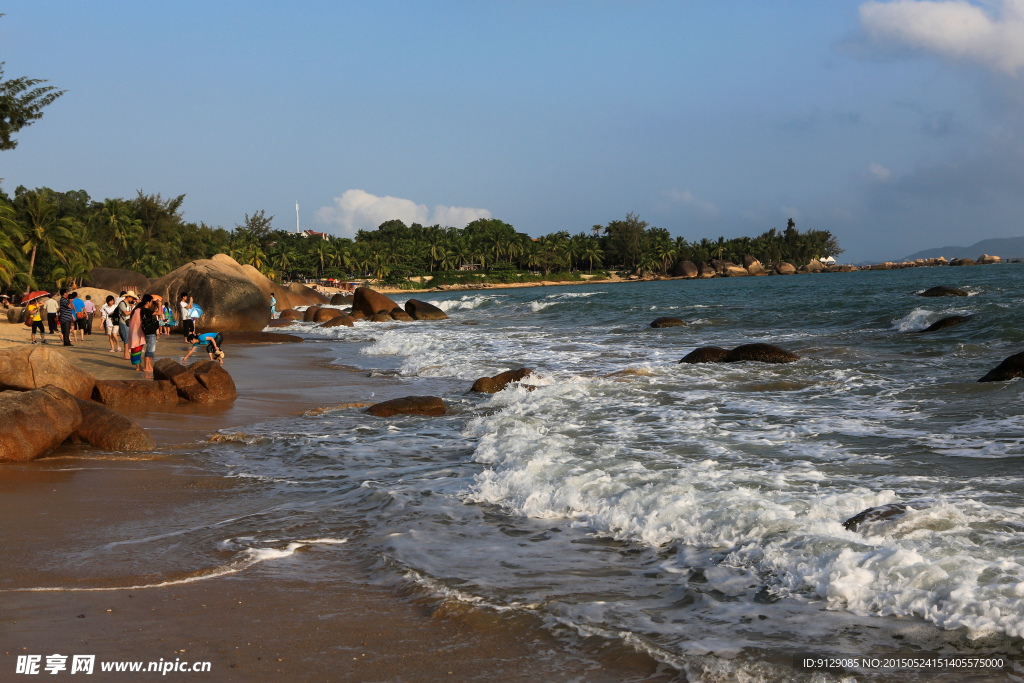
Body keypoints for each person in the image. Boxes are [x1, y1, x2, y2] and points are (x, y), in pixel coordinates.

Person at [126, 293, 150, 371]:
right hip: (137, 333)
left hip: (134, 332)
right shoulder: (139, 311)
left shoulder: (136, 310)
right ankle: (138, 366)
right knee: (137, 349)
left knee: (136, 349)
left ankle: (138, 366)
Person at [139, 295, 161, 376]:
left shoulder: (144, 310)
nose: (151, 303)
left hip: (149, 331)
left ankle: (149, 366)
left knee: (151, 349)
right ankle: (146, 366)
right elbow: (158, 313)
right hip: (150, 332)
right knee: (150, 349)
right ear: (147, 302)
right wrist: (159, 304)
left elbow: (153, 312)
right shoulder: (145, 310)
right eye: (151, 302)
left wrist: (155, 305)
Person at [117, 291, 137, 360]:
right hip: (123, 322)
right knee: (126, 339)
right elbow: (125, 313)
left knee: (127, 338)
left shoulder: (127, 304)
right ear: (128, 297)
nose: (132, 299)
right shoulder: (122, 303)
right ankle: (126, 354)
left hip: (127, 322)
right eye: (132, 297)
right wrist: (133, 310)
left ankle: (127, 353)